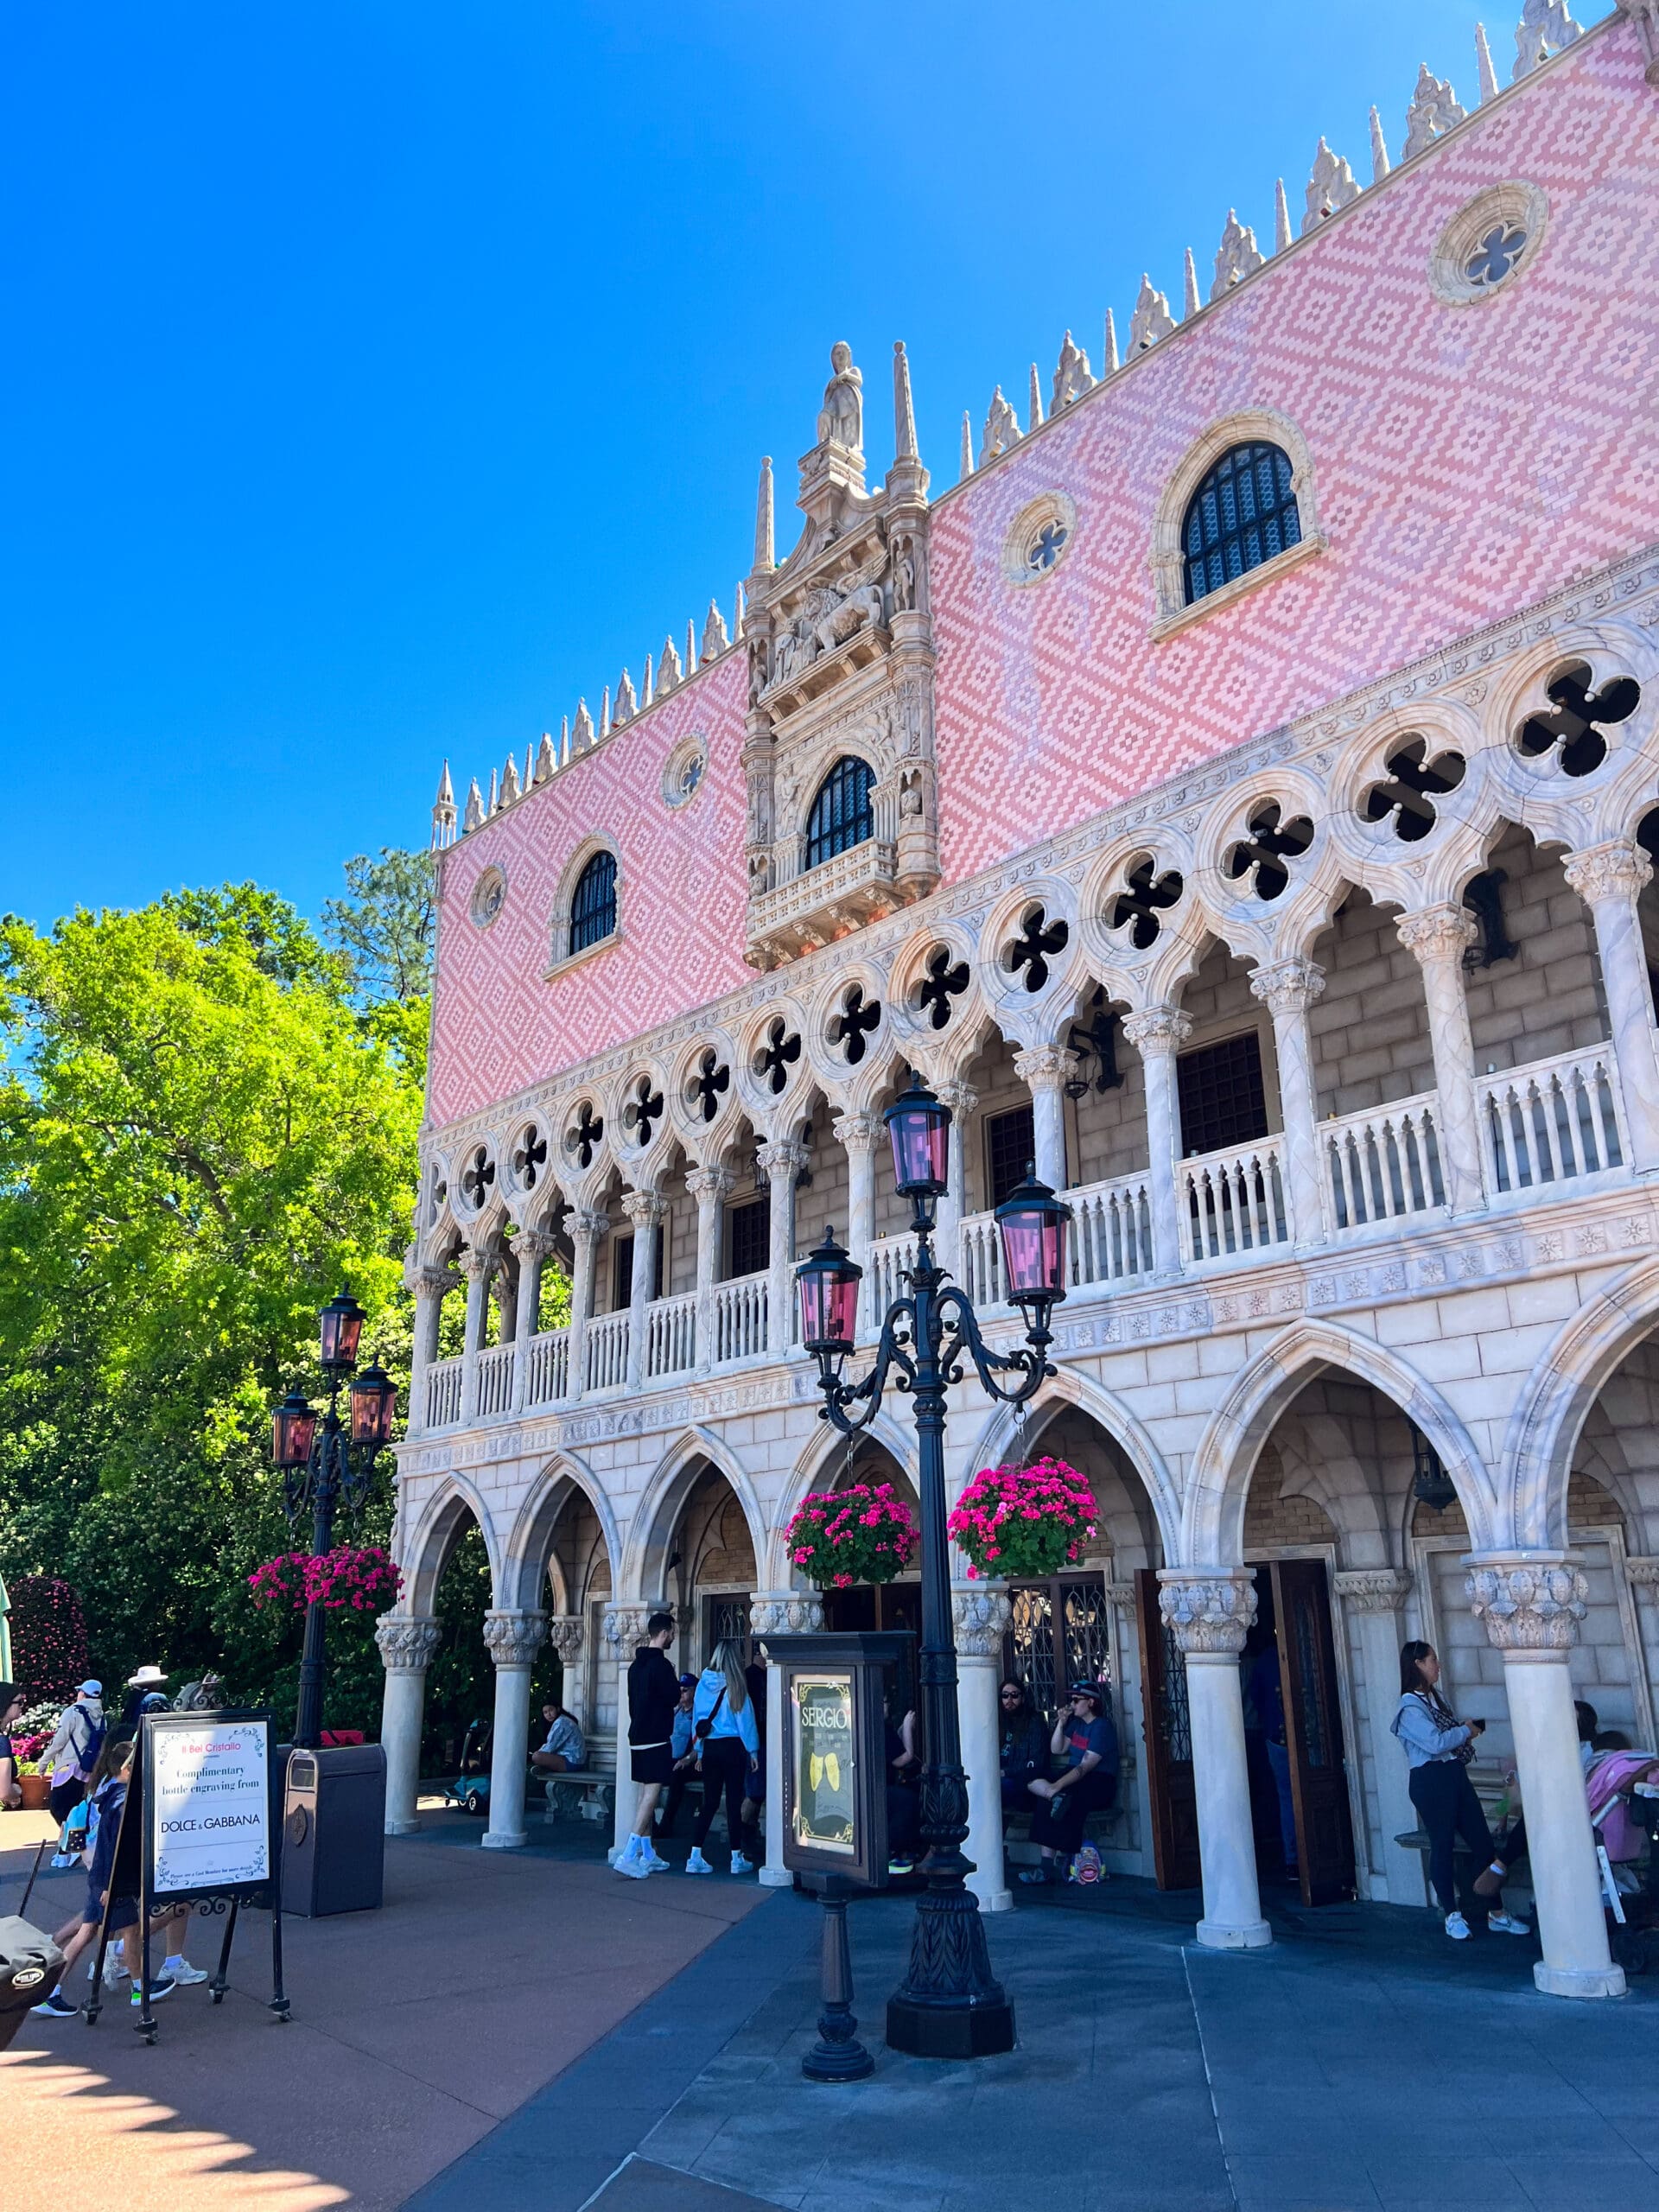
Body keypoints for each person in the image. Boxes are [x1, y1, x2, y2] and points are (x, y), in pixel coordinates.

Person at [31, 1740, 205, 2019]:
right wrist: (113, 1886)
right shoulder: (123, 1801)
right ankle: (139, 1989)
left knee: (89, 1932)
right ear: (128, 1768)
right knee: (130, 1932)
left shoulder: (108, 1792)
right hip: (112, 1880)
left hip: (100, 1876)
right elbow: (118, 1846)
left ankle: (51, 1991)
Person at [1391, 1641, 1529, 1941]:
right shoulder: (1409, 1707)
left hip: (1454, 1775)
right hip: (1431, 1780)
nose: (1437, 1666)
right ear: (1417, 1664)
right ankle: (1452, 1914)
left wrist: (1464, 1733)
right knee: (1442, 1844)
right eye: (1432, 1660)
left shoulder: (1435, 1700)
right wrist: (1467, 1729)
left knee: (1482, 1841)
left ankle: (1496, 1912)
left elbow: (1447, 1739)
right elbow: (1435, 1743)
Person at [1020, 1682, 1119, 1885]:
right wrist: (1061, 1723)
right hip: (1072, 1776)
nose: (1072, 1704)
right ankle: (1054, 1798)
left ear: (1091, 1702)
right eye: (1070, 1700)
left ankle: (1054, 1863)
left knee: (1063, 1801)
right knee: (1030, 1777)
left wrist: (1057, 1786)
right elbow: (1057, 1749)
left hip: (1098, 1780)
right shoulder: (1076, 1724)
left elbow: (1086, 1766)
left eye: (1076, 1700)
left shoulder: (1101, 1726)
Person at [685, 1639, 760, 1876]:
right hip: (733, 1746)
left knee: (710, 1801)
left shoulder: (702, 1686)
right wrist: (753, 1750)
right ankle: (736, 1857)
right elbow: (745, 1720)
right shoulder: (735, 1684)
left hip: (712, 1748)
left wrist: (700, 1749)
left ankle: (695, 1855)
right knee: (734, 1802)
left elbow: (698, 1721)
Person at [617, 1611, 678, 1879]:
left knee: (645, 1794)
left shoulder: (635, 1666)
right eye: (673, 1632)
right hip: (656, 1736)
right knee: (652, 1794)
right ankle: (628, 1854)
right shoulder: (662, 1667)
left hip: (637, 1736)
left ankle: (648, 1853)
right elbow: (674, 1697)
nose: (674, 1636)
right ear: (664, 1633)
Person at [1249, 1637, 1298, 1878]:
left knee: (1287, 1796)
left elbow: (1256, 1698)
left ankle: (1294, 1859)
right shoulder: (1302, 1647)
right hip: (1306, 1735)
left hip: (1275, 1734)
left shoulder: (1265, 1660)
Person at [40, 1681, 105, 1826]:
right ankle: (78, 1842)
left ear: (82, 1693)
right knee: (80, 1810)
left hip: (69, 1769)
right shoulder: (101, 1716)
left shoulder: (73, 1712)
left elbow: (59, 1740)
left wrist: (43, 1762)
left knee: (59, 1808)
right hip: (90, 1770)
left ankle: (68, 1841)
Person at [657, 1675, 701, 1840]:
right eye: (679, 1690)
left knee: (677, 1777)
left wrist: (687, 1759)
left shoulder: (698, 1714)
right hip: (671, 1759)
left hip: (692, 1761)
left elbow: (700, 1743)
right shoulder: (676, 1712)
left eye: (685, 1690)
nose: (681, 1694)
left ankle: (666, 1824)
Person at [998, 1681, 1049, 1814]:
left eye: (1014, 1695)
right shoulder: (997, 1721)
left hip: (1020, 1780)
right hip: (997, 1775)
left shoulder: (1034, 1723)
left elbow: (1035, 1762)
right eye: (1005, 1695)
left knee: (996, 1788)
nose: (1009, 1700)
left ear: (1023, 1698)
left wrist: (1006, 1772)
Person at [531, 1701, 585, 1774]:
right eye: (545, 1712)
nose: (549, 1714)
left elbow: (550, 1747)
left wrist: (536, 1753)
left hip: (573, 1762)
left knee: (536, 1756)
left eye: (551, 1710)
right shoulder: (562, 1720)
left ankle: (547, 1768)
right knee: (539, 1755)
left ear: (558, 1709)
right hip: (574, 1761)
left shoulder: (561, 1722)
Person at [0, 1685, 26, 1811]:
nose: (22, 1707)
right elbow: (3, 1791)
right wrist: (17, 1791)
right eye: (19, 1702)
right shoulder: (1, 1742)